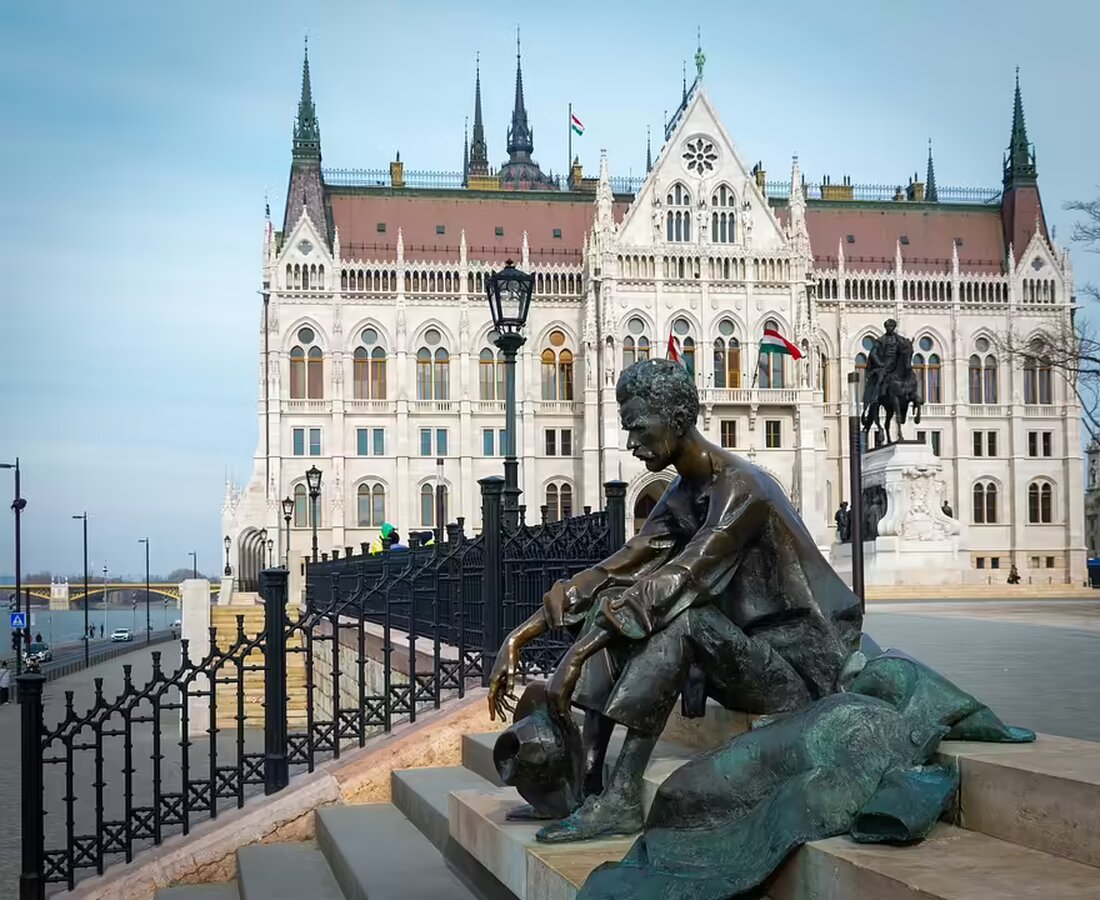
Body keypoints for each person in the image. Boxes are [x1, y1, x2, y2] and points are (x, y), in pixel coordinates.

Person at [488, 358, 862, 843]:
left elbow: (685, 578)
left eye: (640, 428)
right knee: (621, 597)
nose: (631, 443)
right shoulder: (683, 494)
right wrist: (522, 635)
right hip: (742, 657)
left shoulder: (744, 488)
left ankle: (622, 800)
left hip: (801, 669)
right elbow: (617, 568)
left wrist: (576, 657)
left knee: (681, 619)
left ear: (678, 416)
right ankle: (589, 782)